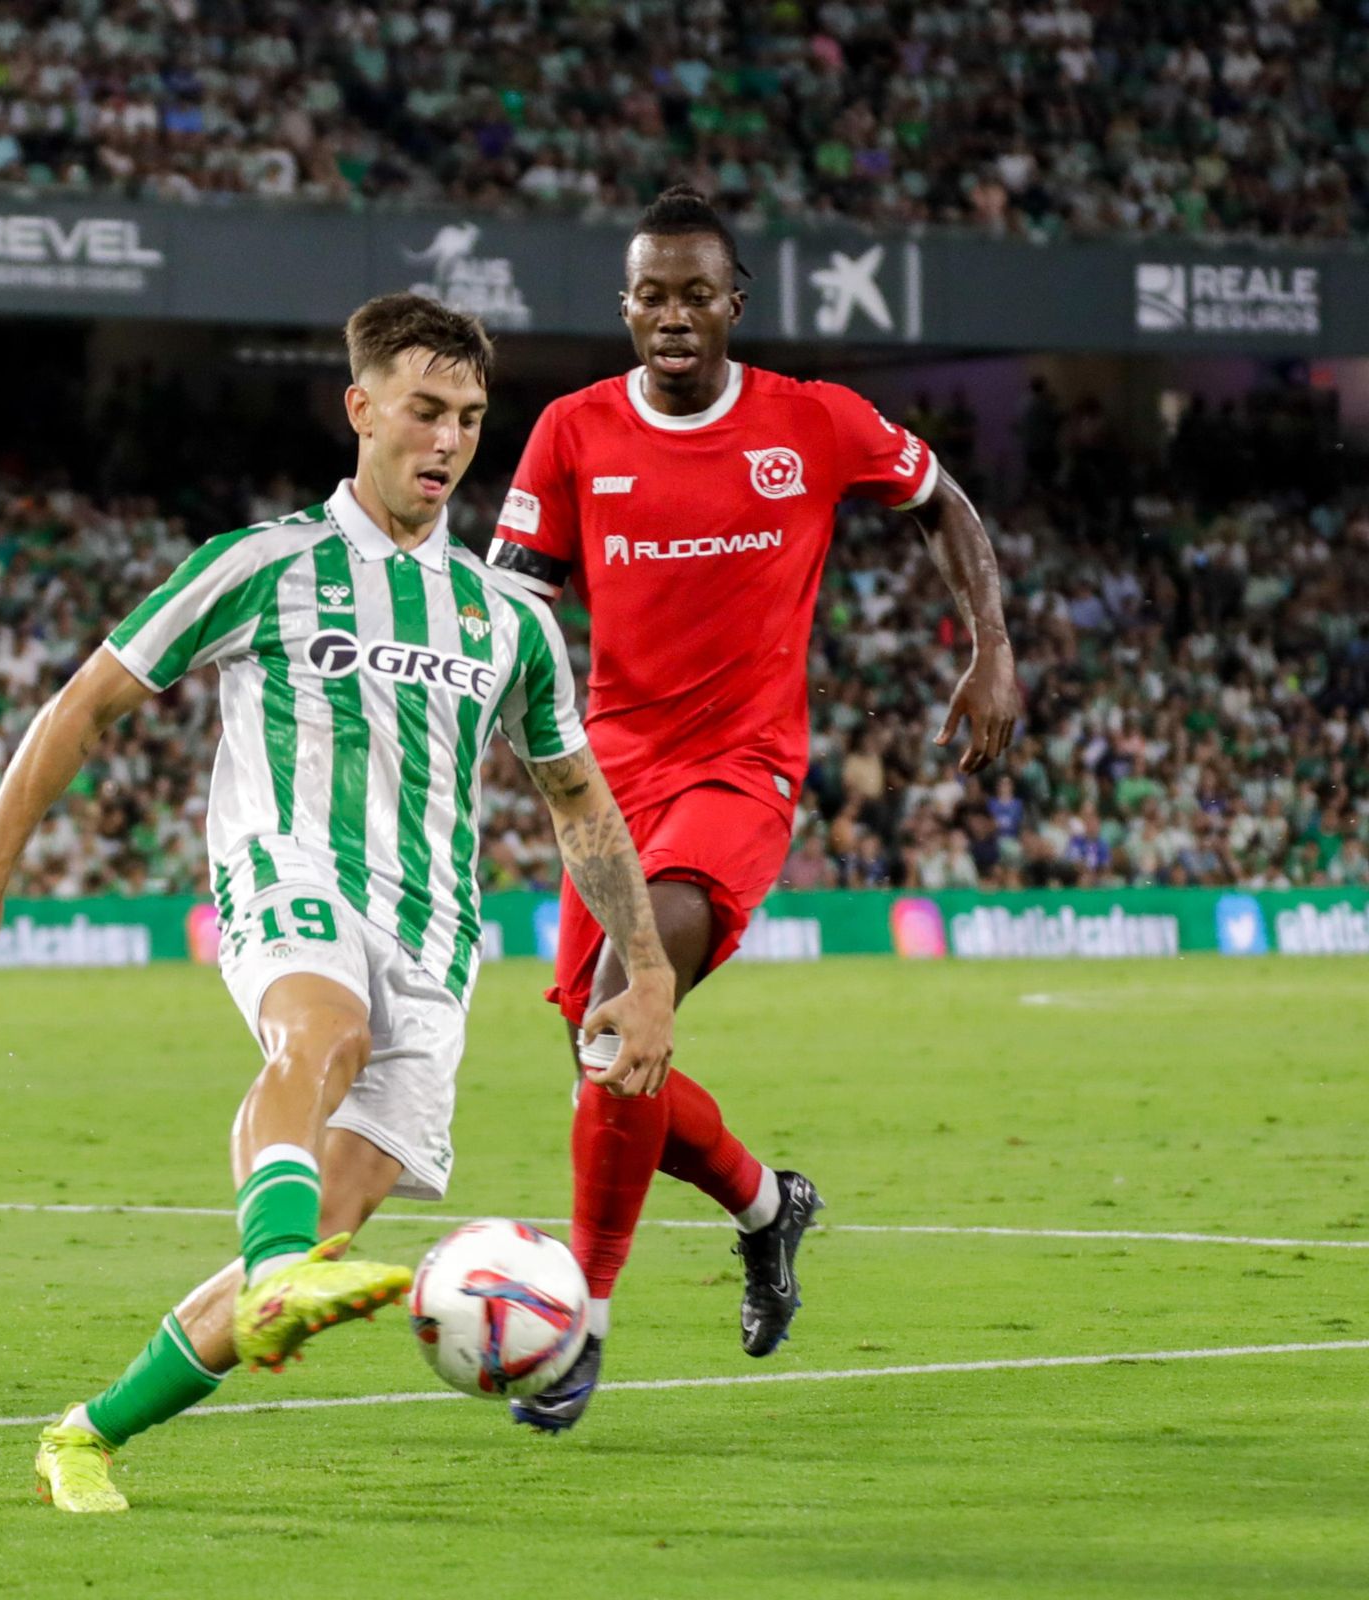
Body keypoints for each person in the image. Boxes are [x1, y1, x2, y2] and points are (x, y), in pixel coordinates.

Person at [0, 294, 675, 1511]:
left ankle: (87, 1433)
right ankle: (274, 1266)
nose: (447, 439)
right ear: (360, 408)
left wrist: (646, 970)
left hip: (435, 940)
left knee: (325, 1236)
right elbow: (85, 704)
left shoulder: (511, 618)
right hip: (286, 871)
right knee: (320, 1034)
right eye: (424, 410)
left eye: (470, 418)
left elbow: (578, 802)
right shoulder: (261, 563)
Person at [487, 186, 1019, 1431]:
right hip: (603, 781)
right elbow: (512, 597)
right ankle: (768, 1207)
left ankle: (579, 1325)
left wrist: (989, 642)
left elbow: (941, 498)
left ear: (734, 303)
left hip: (740, 770)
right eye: (648, 295)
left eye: (693, 293)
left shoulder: (813, 422)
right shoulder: (570, 431)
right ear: (624, 308)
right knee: (603, 1053)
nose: (671, 314)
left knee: (625, 1020)